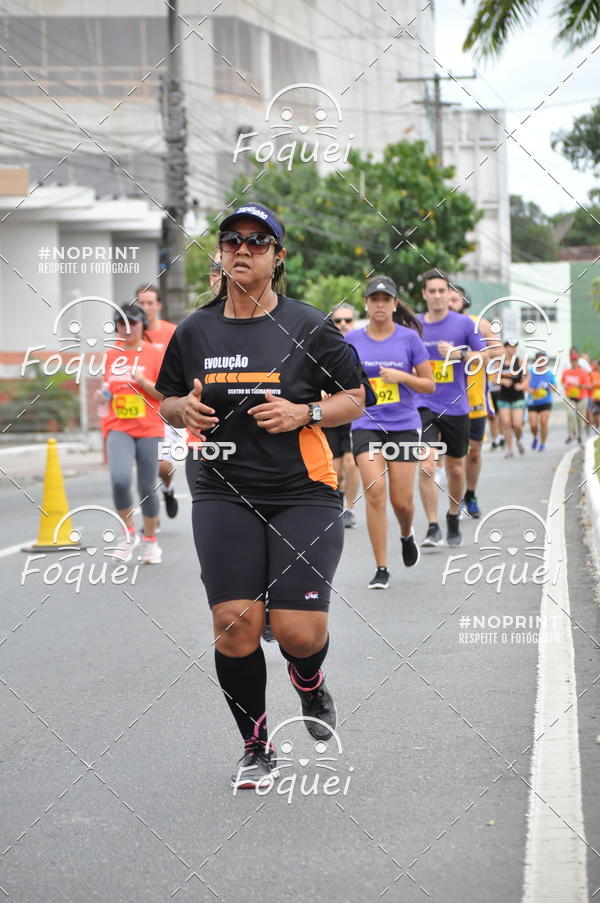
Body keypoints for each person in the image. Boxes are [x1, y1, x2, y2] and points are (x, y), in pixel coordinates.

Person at [155, 202, 374, 789]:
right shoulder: (195, 330)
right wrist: (183, 410)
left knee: (298, 631)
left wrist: (306, 412)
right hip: (222, 489)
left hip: (303, 490)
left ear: (278, 257)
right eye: (232, 240)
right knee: (235, 623)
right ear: (220, 253)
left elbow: (357, 397)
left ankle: (308, 680)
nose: (243, 250)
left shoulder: (308, 326)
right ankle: (256, 747)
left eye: (258, 241)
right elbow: (167, 398)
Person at [346, 275, 434, 589]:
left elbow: (428, 384)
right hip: (366, 423)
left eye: (386, 300)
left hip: (403, 425)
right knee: (374, 491)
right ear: (366, 304)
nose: (380, 305)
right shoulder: (352, 340)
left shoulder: (409, 339)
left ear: (395, 304)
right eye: (374, 299)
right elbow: (340, 378)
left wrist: (402, 376)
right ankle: (381, 567)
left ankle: (406, 533)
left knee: (402, 502)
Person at [416, 270, 485, 548]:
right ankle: (432, 526)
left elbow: (485, 357)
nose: (436, 296)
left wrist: (461, 354)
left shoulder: (464, 324)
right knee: (426, 466)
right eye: (431, 291)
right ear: (424, 294)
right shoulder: (414, 325)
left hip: (456, 406)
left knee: (456, 469)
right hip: (423, 405)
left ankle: (453, 514)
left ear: (448, 294)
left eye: (441, 291)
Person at [97, 303, 165, 564]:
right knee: (119, 479)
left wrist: (143, 382)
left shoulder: (155, 353)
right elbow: (108, 388)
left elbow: (164, 394)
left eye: (132, 323)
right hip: (118, 426)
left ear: (142, 324)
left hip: (149, 427)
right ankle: (128, 534)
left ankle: (150, 541)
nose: (126, 329)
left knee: (147, 486)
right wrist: (101, 395)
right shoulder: (110, 355)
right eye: (121, 323)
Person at [447, 284, 496, 518]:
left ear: (465, 301)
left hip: (475, 397)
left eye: (454, 299)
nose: (449, 303)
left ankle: (471, 494)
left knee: (474, 452)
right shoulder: (436, 326)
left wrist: (470, 353)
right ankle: (453, 501)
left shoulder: (479, 324)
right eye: (447, 298)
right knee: (453, 455)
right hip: (447, 399)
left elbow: (498, 351)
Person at [135, 284, 179, 518]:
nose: (145, 307)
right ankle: (151, 518)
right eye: (141, 303)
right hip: (139, 411)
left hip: (166, 407)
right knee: (146, 467)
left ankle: (168, 489)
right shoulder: (130, 335)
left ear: (159, 305)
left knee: (162, 465)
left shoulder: (173, 332)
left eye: (150, 303)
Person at [323, 302, 361, 528]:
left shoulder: (361, 346)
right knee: (335, 468)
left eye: (348, 320)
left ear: (355, 322)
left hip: (354, 415)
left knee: (351, 462)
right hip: (330, 413)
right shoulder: (323, 346)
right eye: (338, 321)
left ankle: (349, 509)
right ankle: (338, 500)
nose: (343, 324)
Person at [496, 340, 528, 458]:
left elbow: (527, 376)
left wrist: (523, 385)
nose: (513, 349)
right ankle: (510, 449)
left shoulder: (520, 361)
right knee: (506, 423)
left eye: (515, 347)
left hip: (517, 396)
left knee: (517, 424)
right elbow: (493, 379)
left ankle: (518, 440)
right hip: (503, 397)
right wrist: (503, 381)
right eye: (510, 346)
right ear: (505, 348)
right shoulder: (500, 363)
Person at [527, 351, 556, 451]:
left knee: (543, 422)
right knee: (533, 425)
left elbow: (554, 387)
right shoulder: (530, 372)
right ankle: (535, 437)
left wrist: (549, 387)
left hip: (546, 401)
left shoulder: (549, 374)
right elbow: (525, 386)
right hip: (533, 402)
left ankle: (542, 443)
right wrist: (533, 391)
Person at [561, 349, 591, 444]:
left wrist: (580, 385)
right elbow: (563, 381)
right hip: (570, 397)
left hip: (582, 397)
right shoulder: (566, 372)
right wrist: (564, 385)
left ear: (578, 361)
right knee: (570, 415)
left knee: (580, 418)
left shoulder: (583, 372)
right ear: (570, 361)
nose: (574, 362)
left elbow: (588, 386)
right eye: (572, 360)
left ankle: (580, 436)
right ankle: (570, 435)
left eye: (575, 360)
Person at [589, 360, 600, 430]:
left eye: (596, 365)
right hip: (594, 398)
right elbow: (589, 385)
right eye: (594, 365)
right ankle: (597, 427)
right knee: (596, 415)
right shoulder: (592, 374)